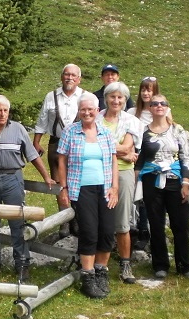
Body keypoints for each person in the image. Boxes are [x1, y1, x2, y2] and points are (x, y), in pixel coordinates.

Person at [0, 95, 56, 281]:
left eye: (5, 110)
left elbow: (33, 155)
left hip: (13, 179)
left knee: (17, 224)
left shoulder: (18, 129)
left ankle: (22, 264)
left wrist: (46, 177)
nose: (2, 114)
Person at [56, 92, 118, 299]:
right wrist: (63, 188)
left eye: (90, 109)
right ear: (78, 111)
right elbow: (61, 160)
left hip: (105, 188)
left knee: (108, 231)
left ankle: (101, 271)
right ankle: (88, 277)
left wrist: (114, 187)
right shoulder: (70, 132)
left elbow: (113, 161)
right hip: (80, 189)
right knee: (89, 232)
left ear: (97, 111)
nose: (87, 112)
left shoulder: (106, 133)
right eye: (83, 109)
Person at [135, 95, 189, 279]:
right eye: (155, 104)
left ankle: (184, 264)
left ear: (168, 107)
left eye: (163, 103)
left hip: (175, 180)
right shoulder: (143, 132)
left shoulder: (178, 131)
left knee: (181, 223)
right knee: (156, 223)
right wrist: (135, 185)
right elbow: (140, 160)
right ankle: (160, 264)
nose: (159, 106)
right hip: (151, 180)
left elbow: (186, 157)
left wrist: (186, 183)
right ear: (150, 108)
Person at [98, 82, 143, 283]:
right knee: (100, 218)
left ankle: (125, 264)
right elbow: (121, 151)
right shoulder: (96, 118)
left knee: (122, 220)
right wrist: (122, 152)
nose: (116, 101)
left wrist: (111, 148)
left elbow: (128, 148)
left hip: (124, 173)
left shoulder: (131, 121)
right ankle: (99, 265)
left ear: (125, 100)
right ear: (106, 98)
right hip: (99, 173)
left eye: (120, 98)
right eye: (112, 97)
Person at [33, 64, 85, 234]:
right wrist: (36, 142)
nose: (69, 78)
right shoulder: (51, 96)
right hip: (56, 142)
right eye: (67, 75)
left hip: (79, 144)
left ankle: (77, 219)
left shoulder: (85, 96)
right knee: (58, 183)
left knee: (76, 181)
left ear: (79, 79)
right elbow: (42, 119)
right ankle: (64, 219)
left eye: (73, 75)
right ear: (62, 76)